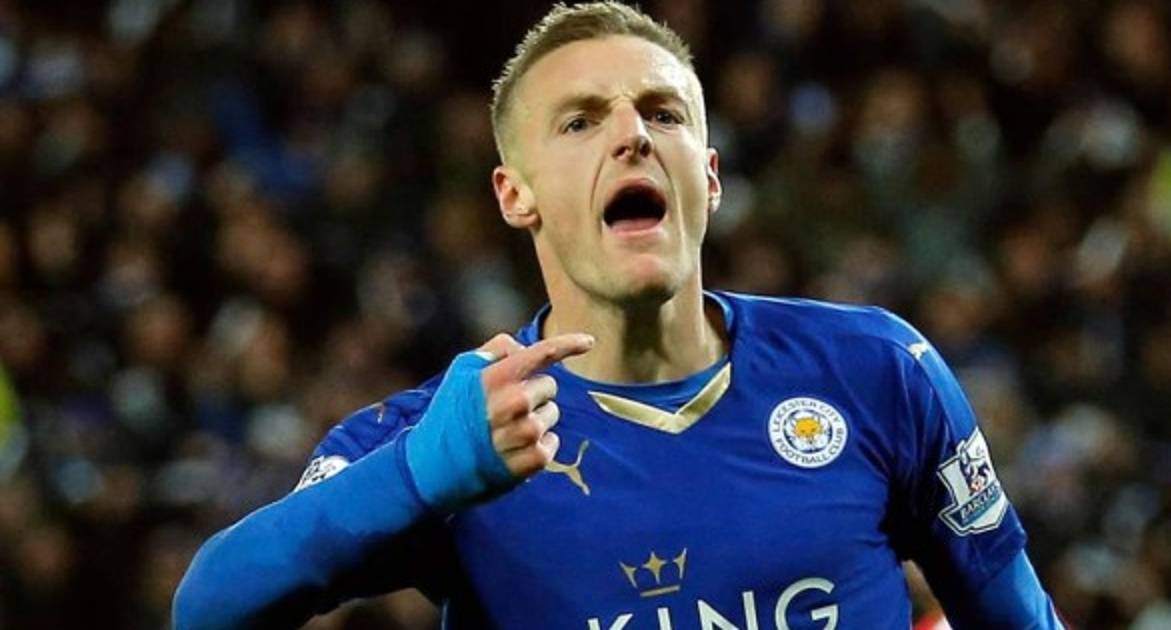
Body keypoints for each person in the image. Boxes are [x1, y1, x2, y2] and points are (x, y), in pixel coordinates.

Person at [173, 3, 1066, 628]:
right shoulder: (456, 433)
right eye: (580, 122)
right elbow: (208, 607)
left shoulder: (876, 371)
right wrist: (416, 475)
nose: (632, 134)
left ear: (708, 178)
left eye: (663, 113)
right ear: (515, 194)